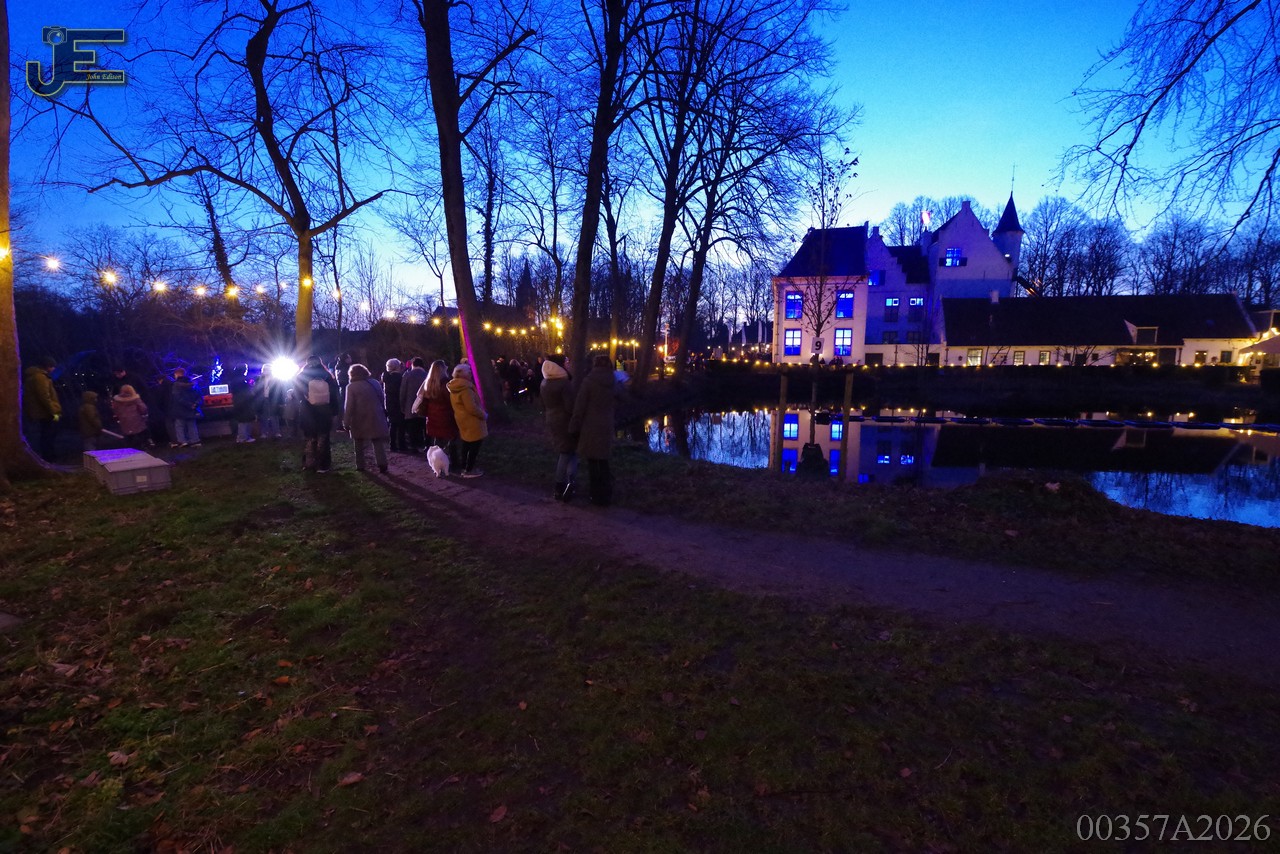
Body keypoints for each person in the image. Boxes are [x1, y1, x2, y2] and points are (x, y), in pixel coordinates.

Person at [569, 354, 621, 507]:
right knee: (603, 460)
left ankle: (595, 495)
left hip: (590, 427)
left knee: (592, 461)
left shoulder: (588, 382)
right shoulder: (613, 381)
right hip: (606, 425)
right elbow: (622, 397)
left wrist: (574, 426)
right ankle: (606, 494)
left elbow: (579, 407)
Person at [540, 354, 577, 501]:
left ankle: (567, 484)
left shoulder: (545, 382)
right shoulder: (564, 383)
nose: (568, 364)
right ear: (559, 365)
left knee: (567, 451)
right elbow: (570, 406)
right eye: (566, 362)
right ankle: (562, 485)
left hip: (552, 419)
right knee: (568, 452)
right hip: (565, 421)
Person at [295, 356, 339, 473]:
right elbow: (334, 395)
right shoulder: (327, 376)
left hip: (307, 411)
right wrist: (335, 411)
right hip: (325, 411)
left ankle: (309, 463)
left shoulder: (301, 376)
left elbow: (297, 394)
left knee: (309, 438)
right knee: (323, 438)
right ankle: (323, 465)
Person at [343, 363, 390, 474]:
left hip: (359, 417)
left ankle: (360, 465)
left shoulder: (351, 387)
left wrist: (346, 422)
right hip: (375, 415)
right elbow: (382, 398)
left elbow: (349, 405)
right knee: (377, 441)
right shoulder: (375, 383)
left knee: (358, 442)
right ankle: (382, 464)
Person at [447, 363, 488, 477]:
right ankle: (469, 469)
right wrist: (484, 415)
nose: (470, 374)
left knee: (466, 443)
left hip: (462, 419)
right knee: (474, 445)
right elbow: (471, 407)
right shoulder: (465, 389)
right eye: (468, 372)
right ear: (462, 374)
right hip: (472, 421)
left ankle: (464, 467)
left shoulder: (454, 387)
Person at [421, 359, 459, 469]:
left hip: (432, 416)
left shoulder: (428, 384)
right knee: (452, 439)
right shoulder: (446, 384)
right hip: (446, 416)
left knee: (438, 441)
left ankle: (437, 462)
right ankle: (453, 462)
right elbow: (451, 400)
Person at [23, 356, 62, 461]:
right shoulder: (40, 377)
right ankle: (49, 457)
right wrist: (54, 411)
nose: (54, 369)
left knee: (46, 435)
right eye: (53, 366)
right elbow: (44, 396)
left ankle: (48, 456)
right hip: (45, 412)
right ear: (48, 366)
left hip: (41, 412)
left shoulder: (34, 376)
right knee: (48, 435)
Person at [399, 357, 428, 450]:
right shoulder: (427, 375)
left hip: (410, 405)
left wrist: (402, 405)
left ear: (413, 365)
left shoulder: (407, 375)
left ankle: (414, 446)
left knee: (412, 428)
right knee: (424, 427)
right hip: (424, 405)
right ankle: (426, 445)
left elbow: (403, 391)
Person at [168, 370, 202, 447]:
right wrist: (195, 404)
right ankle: (195, 441)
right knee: (192, 425)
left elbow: (178, 398)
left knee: (179, 425)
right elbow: (199, 396)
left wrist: (188, 405)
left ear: (176, 375)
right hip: (192, 409)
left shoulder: (176, 385)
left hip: (180, 409)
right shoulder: (193, 384)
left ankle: (182, 441)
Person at [111, 384, 150, 450]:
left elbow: (115, 410)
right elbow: (143, 408)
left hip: (124, 421)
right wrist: (144, 414)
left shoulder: (117, 400)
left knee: (129, 437)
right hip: (137, 420)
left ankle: (130, 449)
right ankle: (142, 448)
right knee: (141, 434)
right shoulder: (135, 399)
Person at [381, 358, 406, 452]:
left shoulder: (386, 377)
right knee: (401, 425)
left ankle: (393, 445)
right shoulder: (399, 377)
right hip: (398, 402)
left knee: (393, 424)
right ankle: (402, 445)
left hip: (389, 403)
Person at [228, 364, 256, 443]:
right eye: (246, 369)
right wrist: (250, 386)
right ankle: (243, 437)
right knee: (244, 420)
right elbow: (246, 392)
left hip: (239, 402)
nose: (247, 370)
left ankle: (243, 437)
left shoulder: (235, 379)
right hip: (243, 403)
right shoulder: (241, 380)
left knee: (243, 420)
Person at [256, 363, 285, 439]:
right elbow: (257, 390)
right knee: (263, 416)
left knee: (274, 416)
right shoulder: (259, 379)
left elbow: (280, 391)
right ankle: (264, 433)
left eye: (268, 369)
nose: (266, 371)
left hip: (273, 399)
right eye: (265, 369)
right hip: (263, 399)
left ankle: (276, 432)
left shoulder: (276, 379)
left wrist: (281, 402)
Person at [332, 352, 354, 425]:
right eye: (348, 357)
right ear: (345, 359)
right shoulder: (345, 368)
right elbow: (345, 379)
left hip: (343, 388)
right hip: (345, 388)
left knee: (344, 405)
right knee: (346, 405)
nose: (350, 359)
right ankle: (344, 422)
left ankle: (342, 422)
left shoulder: (339, 367)